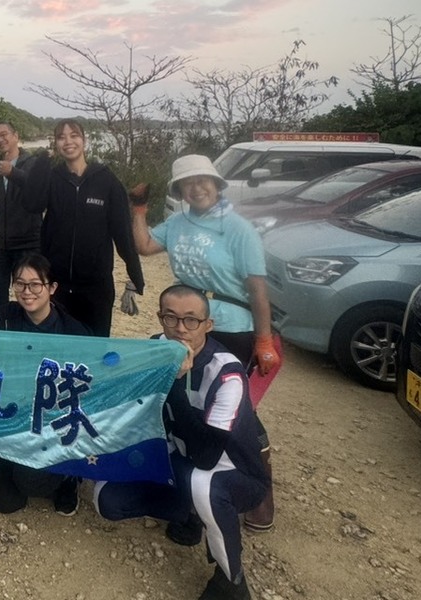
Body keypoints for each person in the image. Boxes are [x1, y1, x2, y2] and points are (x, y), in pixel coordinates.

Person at [130, 154, 280, 532]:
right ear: (179, 190)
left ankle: (259, 493)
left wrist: (264, 339)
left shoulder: (238, 228)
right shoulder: (178, 222)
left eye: (203, 181)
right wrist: (138, 207)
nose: (196, 188)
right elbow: (145, 245)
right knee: (186, 394)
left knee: (235, 406)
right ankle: (192, 486)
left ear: (216, 184)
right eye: (188, 183)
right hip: (186, 320)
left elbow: (257, 290)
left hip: (231, 326)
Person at [94, 285, 268, 600]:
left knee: (203, 484)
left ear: (208, 325)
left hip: (231, 471)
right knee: (107, 498)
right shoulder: (156, 348)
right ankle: (189, 513)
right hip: (177, 454)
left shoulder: (226, 373)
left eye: (191, 321)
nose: (180, 329)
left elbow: (206, 456)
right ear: (160, 318)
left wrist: (175, 382)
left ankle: (232, 581)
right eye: (171, 318)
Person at [0, 253, 91, 515]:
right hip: (14, 419)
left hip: (51, 422)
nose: (27, 292)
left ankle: (68, 478)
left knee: (31, 483)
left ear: (52, 288)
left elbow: (87, 386)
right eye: (20, 284)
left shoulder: (74, 333)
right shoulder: (6, 316)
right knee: (6, 502)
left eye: (35, 284)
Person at [21, 119, 144, 337]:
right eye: (61, 137)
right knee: (57, 346)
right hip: (56, 282)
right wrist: (42, 160)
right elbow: (32, 203)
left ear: (84, 140)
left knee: (95, 348)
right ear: (56, 143)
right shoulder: (53, 177)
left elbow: (122, 232)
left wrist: (134, 273)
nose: (68, 141)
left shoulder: (107, 181)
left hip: (96, 286)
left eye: (74, 135)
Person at [0, 121, 40, 318]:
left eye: (4, 134)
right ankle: (4, 326)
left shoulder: (33, 164)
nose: (0, 139)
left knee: (29, 293)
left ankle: (27, 331)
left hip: (27, 243)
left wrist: (12, 172)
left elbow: (38, 189)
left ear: (16, 136)